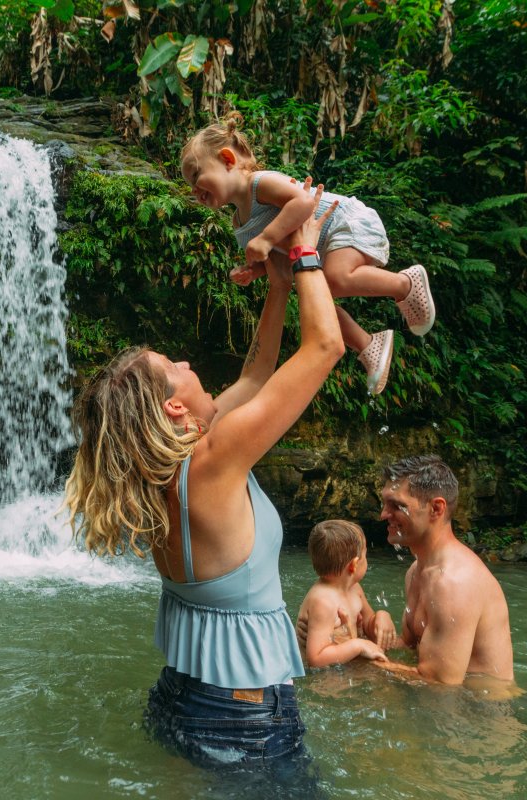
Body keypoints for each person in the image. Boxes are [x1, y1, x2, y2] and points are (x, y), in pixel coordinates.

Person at [65, 181, 343, 782]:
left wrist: (276, 289)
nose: (189, 364)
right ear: (172, 409)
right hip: (243, 717)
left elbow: (258, 370)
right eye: (175, 367)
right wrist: (306, 252)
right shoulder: (215, 462)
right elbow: (325, 346)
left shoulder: (164, 476)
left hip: (180, 700)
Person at [179, 112, 436, 397]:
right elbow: (276, 258)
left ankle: (406, 284)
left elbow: (303, 202)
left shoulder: (260, 183)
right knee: (316, 303)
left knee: (336, 281)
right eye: (190, 186)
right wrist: (254, 270)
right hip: (319, 247)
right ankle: (368, 345)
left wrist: (265, 238)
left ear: (227, 160)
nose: (194, 190)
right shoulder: (239, 224)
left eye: (196, 175)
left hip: (342, 221)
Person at [380, 455, 516, 688]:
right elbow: (411, 648)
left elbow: (439, 684)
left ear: (436, 508)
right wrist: (353, 634)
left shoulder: (454, 583)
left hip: (482, 716)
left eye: (397, 506)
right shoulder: (416, 571)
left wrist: (355, 659)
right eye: (384, 504)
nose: (383, 514)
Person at [296, 520, 395, 667]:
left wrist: (382, 616)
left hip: (345, 665)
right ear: (354, 565)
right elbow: (316, 659)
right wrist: (357, 646)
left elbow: (368, 625)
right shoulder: (323, 601)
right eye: (365, 555)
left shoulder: (355, 589)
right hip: (326, 680)